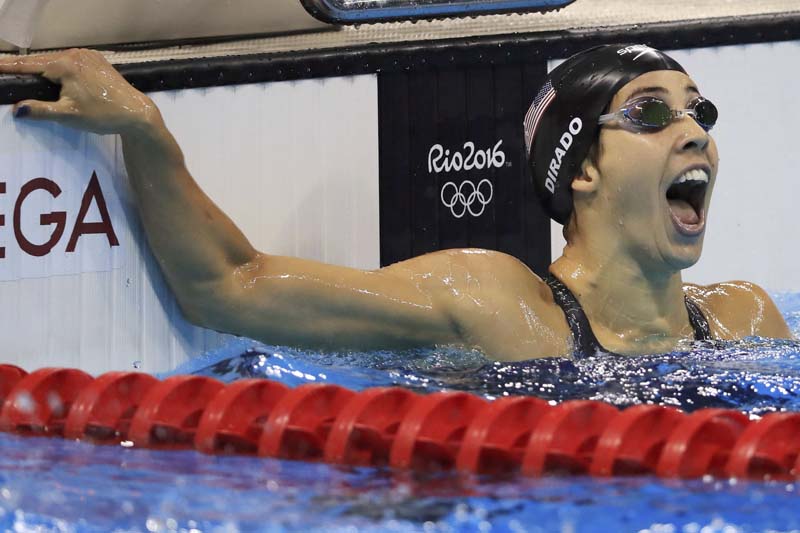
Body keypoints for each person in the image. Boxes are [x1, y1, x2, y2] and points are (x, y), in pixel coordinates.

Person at [0, 44, 791, 361]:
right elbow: (226, 284)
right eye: (652, 113)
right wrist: (144, 129)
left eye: (699, 111)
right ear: (579, 167)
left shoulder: (748, 317)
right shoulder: (500, 305)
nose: (694, 133)